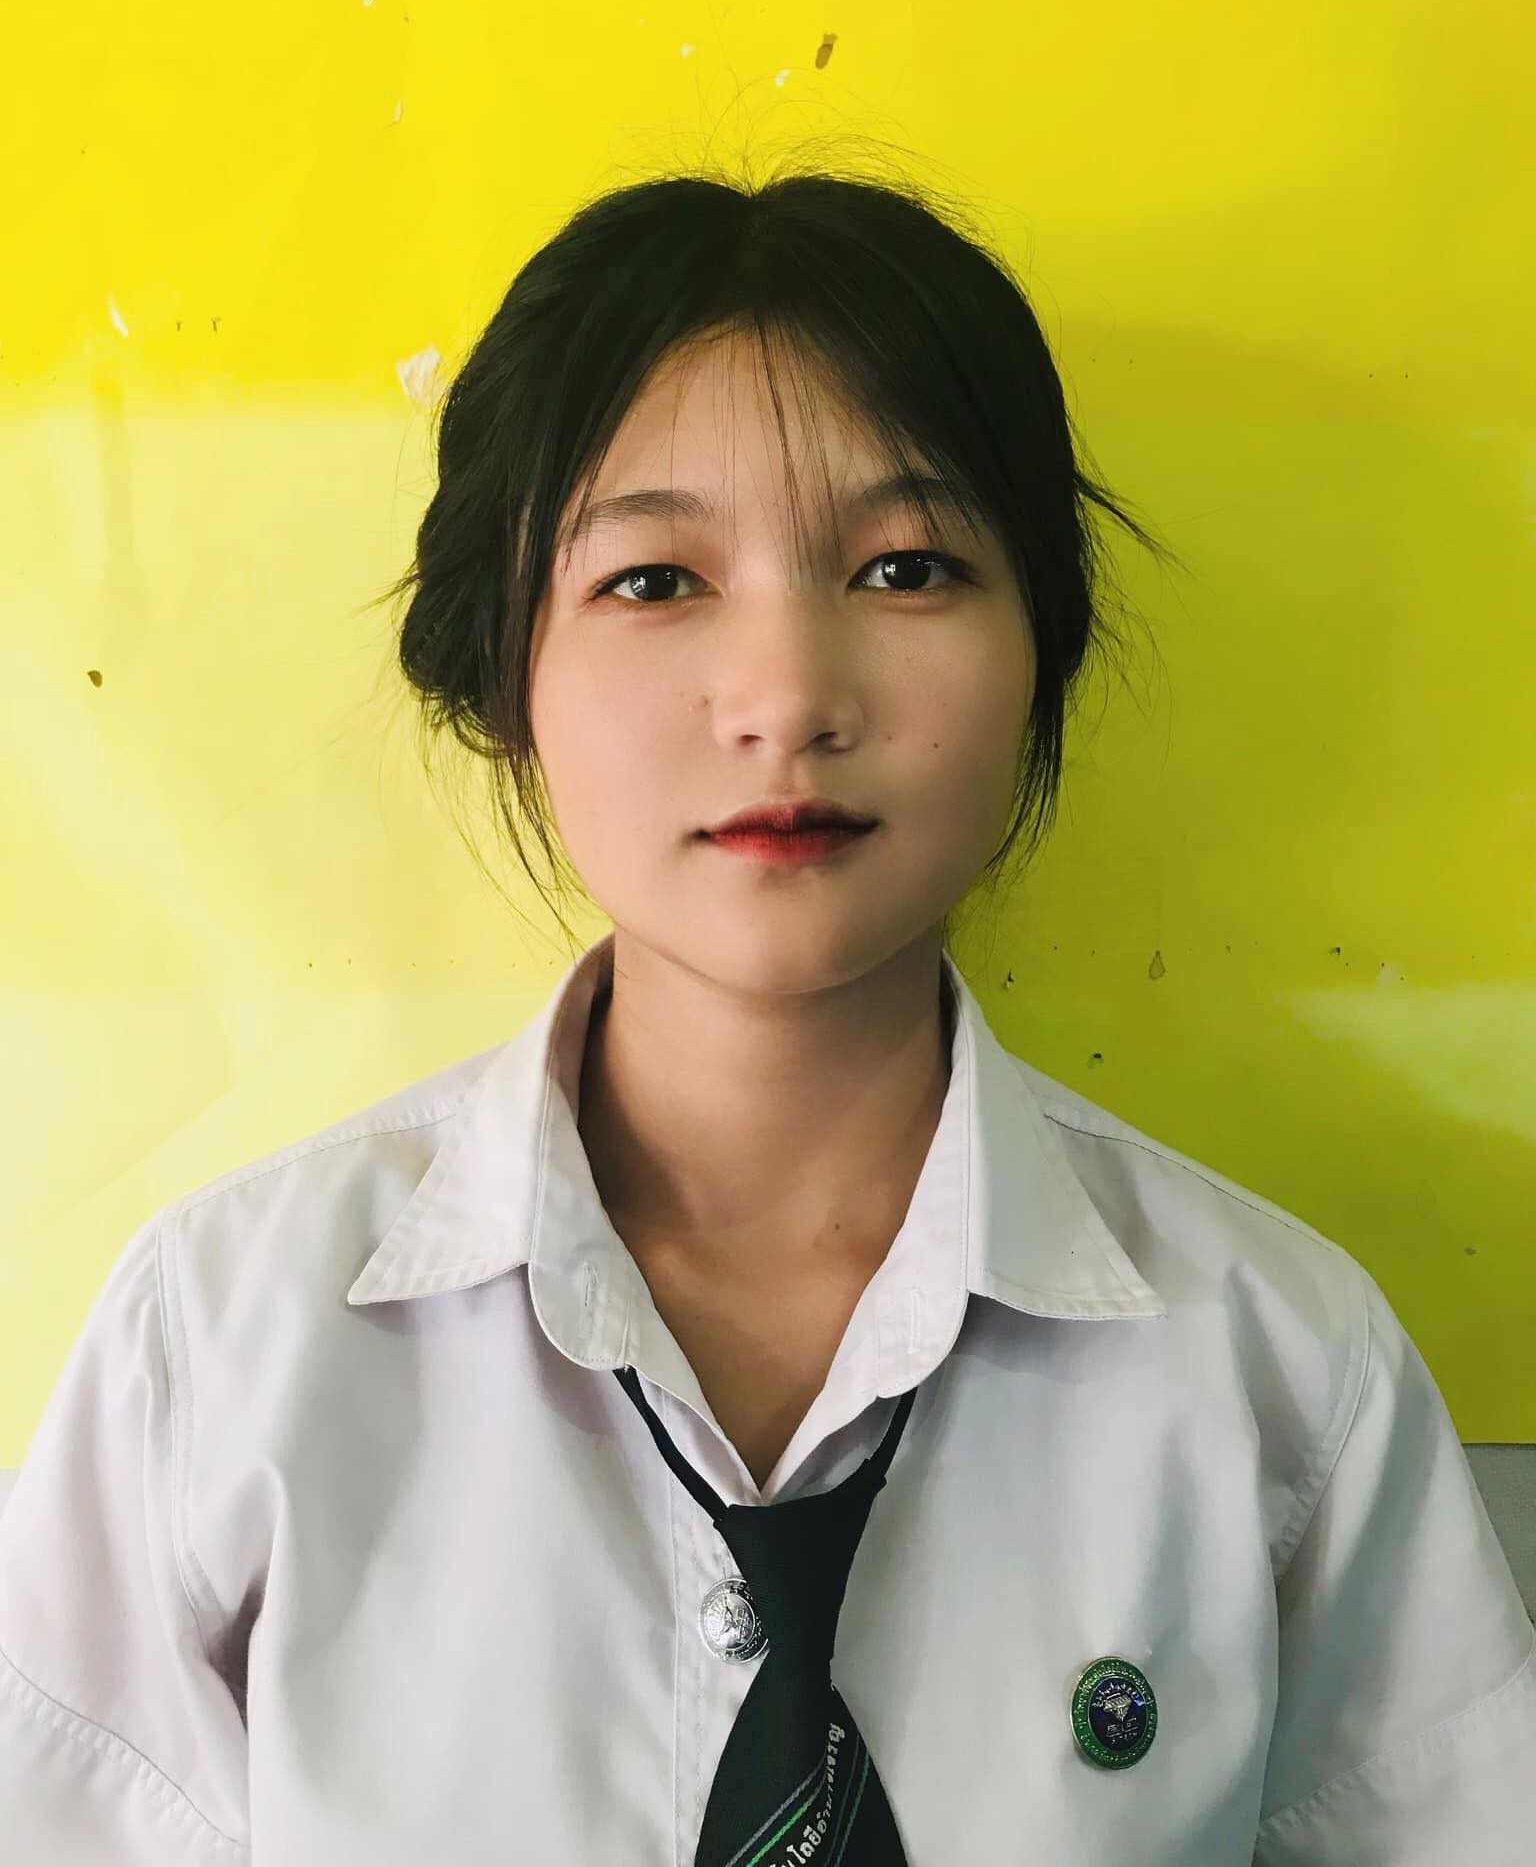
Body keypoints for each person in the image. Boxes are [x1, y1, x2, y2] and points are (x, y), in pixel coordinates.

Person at [1, 157, 1532, 1863]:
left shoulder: (1282, 1374)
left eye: (906, 568)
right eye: (655, 581)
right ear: (504, 670)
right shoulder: (222, 1356)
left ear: (1044, 650)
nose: (788, 696)